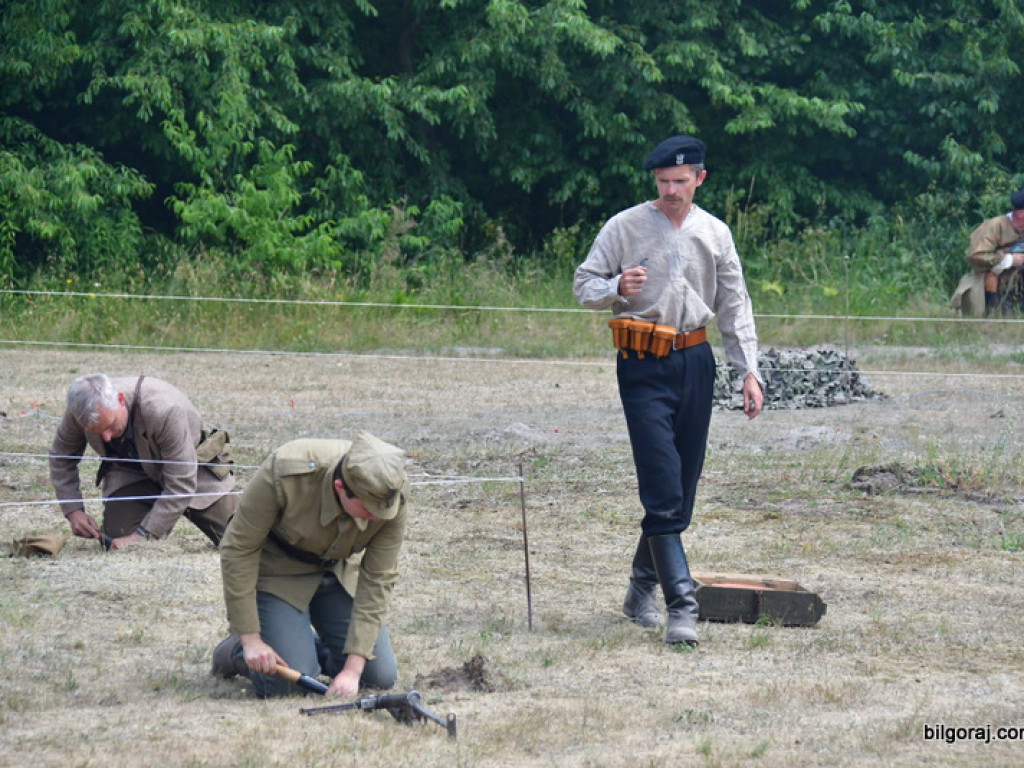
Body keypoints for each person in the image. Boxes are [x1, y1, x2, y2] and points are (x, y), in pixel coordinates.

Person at [573, 135, 764, 646]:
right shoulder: (625, 225)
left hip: (696, 360)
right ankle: (682, 606)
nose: (672, 190)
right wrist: (616, 287)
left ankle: (639, 589)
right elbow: (583, 284)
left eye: (682, 181)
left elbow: (734, 303)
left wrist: (748, 370)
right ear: (654, 181)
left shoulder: (716, 233)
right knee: (660, 484)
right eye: (664, 182)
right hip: (641, 363)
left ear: (700, 178)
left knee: (680, 491)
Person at [212, 432, 408, 699]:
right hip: (278, 571)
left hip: (336, 571)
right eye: (369, 510)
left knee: (377, 677)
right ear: (341, 488)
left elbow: (378, 578)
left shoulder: (390, 492)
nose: (376, 517)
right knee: (287, 685)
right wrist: (251, 640)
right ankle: (236, 652)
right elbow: (238, 548)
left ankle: (298, 644)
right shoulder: (284, 472)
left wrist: (352, 670)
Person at [49, 373, 236, 550]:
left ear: (120, 400)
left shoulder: (164, 410)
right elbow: (61, 457)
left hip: (193, 472)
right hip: (133, 475)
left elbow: (181, 485)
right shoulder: (80, 411)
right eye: (97, 431)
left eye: (110, 426)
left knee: (245, 539)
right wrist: (73, 510)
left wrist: (142, 536)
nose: (106, 438)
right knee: (118, 538)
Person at [959, 188, 1024, 315]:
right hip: (994, 290)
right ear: (1021, 214)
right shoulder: (995, 227)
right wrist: (1009, 259)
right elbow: (975, 255)